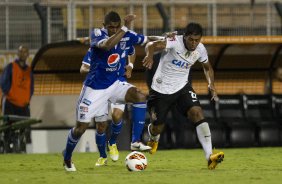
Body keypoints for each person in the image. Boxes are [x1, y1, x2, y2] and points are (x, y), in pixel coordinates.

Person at [63, 11, 163, 171]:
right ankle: (67, 157)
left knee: (140, 96)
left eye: (117, 27)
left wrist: (167, 38)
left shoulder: (126, 34)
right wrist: (124, 28)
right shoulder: (97, 34)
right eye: (111, 27)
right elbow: (107, 45)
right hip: (94, 89)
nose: (114, 30)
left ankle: (135, 141)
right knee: (80, 128)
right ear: (104, 26)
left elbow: (146, 39)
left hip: (114, 84)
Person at [142, 22, 224, 170]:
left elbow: (208, 68)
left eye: (197, 40)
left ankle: (210, 156)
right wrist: (149, 56)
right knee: (158, 127)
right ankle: (153, 136)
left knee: (197, 113)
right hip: (160, 90)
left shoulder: (200, 49)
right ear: (185, 36)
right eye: (191, 39)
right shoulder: (174, 41)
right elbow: (151, 45)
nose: (194, 43)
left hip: (182, 88)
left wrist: (211, 84)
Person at [79, 45, 136, 162]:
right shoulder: (94, 50)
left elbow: (132, 50)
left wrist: (130, 66)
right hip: (99, 88)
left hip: (117, 85)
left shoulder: (122, 45)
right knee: (101, 126)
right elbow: (83, 68)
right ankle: (102, 156)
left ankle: (112, 142)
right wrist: (96, 69)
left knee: (117, 115)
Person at [0, 45, 34, 153]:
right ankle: (7, 150)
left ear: (28, 55)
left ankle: (23, 149)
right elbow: (3, 83)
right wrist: (11, 95)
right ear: (18, 54)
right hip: (10, 104)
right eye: (21, 51)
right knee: (8, 129)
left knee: (25, 129)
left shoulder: (29, 71)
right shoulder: (11, 67)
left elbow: (31, 88)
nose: (23, 54)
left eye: (25, 52)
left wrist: (26, 99)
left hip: (23, 106)